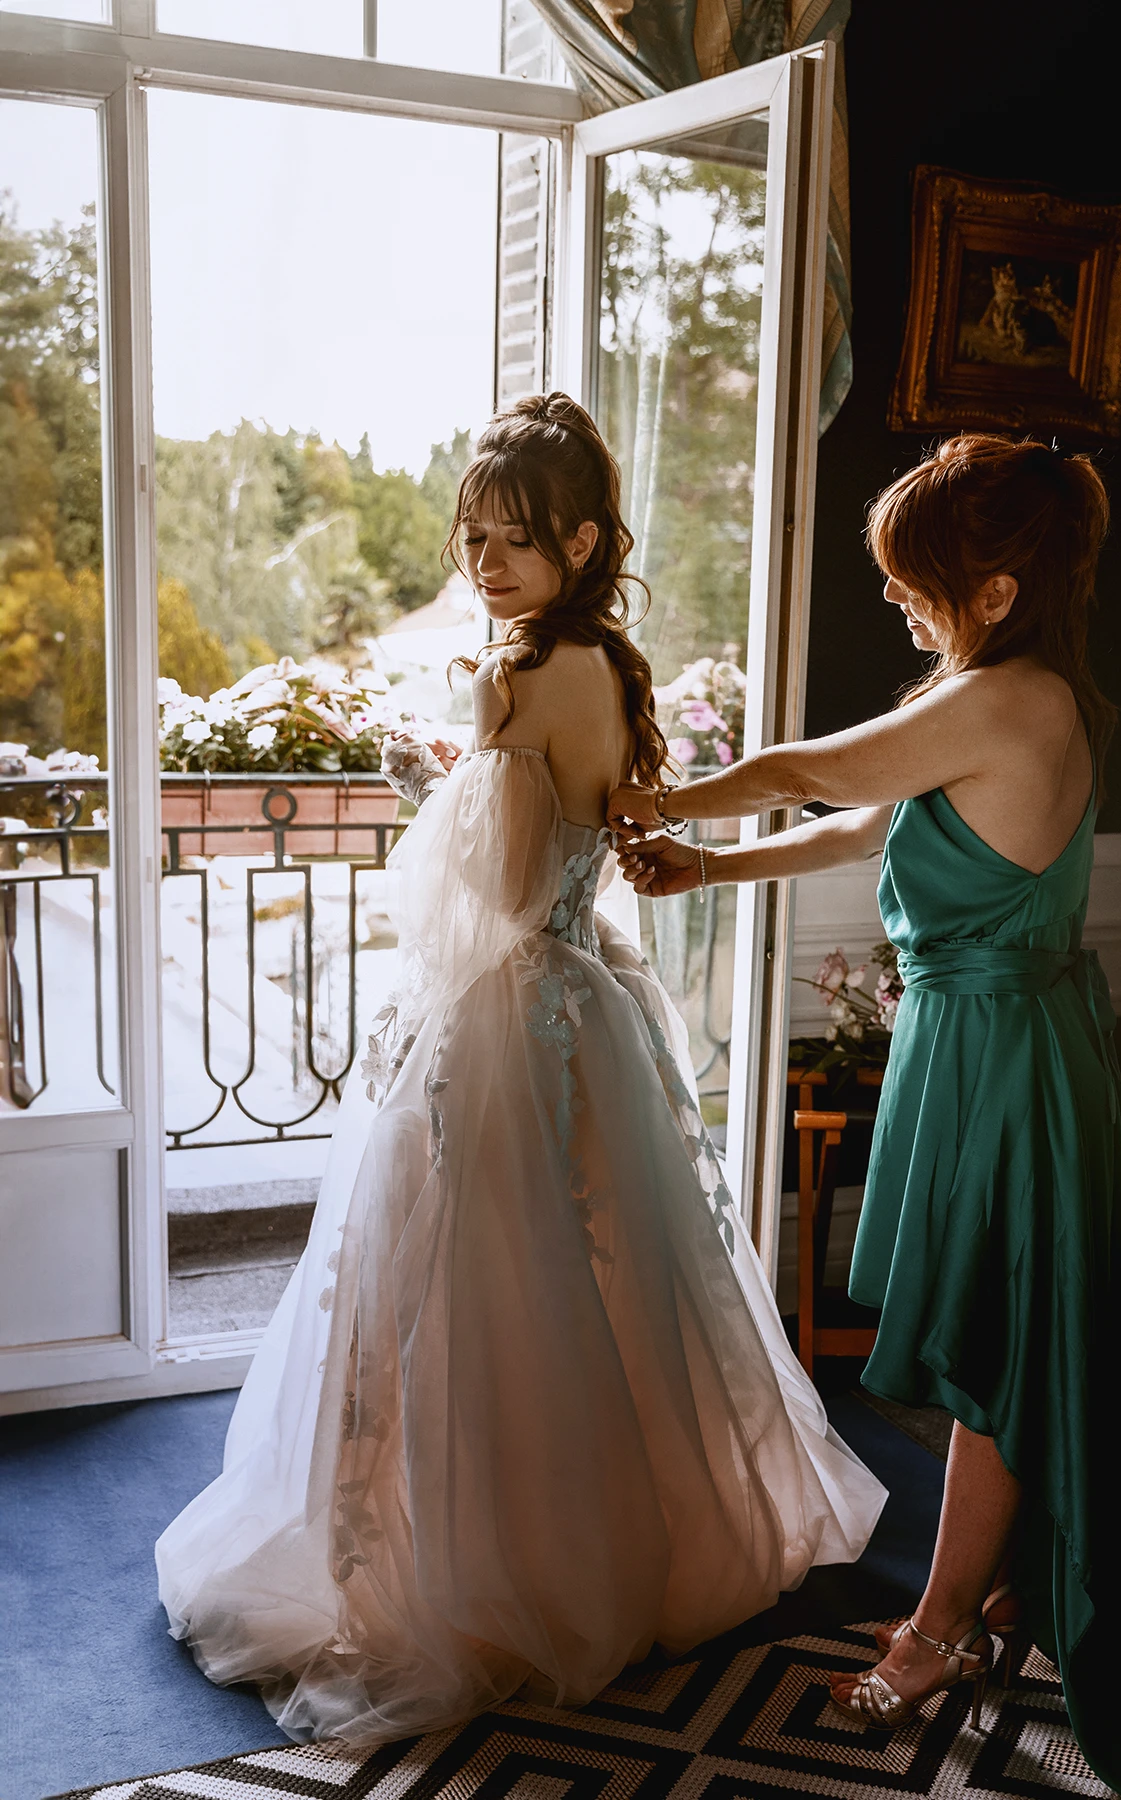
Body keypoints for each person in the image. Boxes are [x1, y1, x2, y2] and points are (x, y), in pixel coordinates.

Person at [155, 393, 887, 1746]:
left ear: (585, 540)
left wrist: (463, 773)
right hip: (580, 1001)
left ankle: (485, 1569)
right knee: (593, 1287)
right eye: (472, 535)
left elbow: (482, 897)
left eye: (514, 539)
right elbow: (581, 848)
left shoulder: (517, 675)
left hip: (505, 1009)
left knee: (471, 1286)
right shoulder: (613, 665)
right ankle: (629, 1535)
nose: (484, 560)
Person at [613, 434, 1121, 1799]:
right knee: (998, 1339)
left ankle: (938, 1632)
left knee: (995, 1349)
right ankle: (977, 1604)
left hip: (1004, 1055)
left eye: (912, 578)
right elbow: (855, 825)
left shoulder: (1019, 700)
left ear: (993, 587)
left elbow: (819, 766)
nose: (895, 601)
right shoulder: (989, 692)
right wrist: (702, 866)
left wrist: (651, 793)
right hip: (981, 1039)